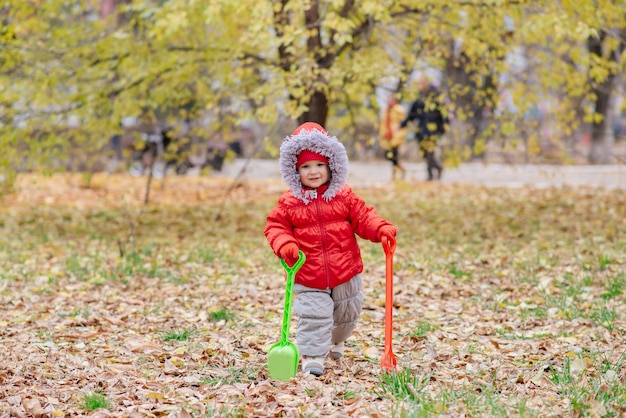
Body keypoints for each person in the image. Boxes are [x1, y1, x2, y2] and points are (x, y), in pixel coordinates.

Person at [264, 122, 397, 377]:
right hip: (308, 273)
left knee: (346, 316)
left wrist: (379, 228)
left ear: (331, 165)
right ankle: (313, 356)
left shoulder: (344, 196)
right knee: (314, 315)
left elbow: (364, 217)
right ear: (295, 170)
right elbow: (275, 227)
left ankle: (337, 340)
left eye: (319, 165)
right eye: (305, 166)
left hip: (345, 271)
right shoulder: (289, 202)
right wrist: (286, 244)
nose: (313, 172)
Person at [401, 83, 447, 181]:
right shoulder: (419, 99)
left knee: (430, 153)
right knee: (424, 154)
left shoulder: (436, 99)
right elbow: (411, 115)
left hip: (433, 131)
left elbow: (443, 116)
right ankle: (438, 167)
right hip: (421, 131)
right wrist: (402, 125)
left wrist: (442, 130)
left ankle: (430, 175)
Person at [378, 96, 408, 180]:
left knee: (394, 157)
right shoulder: (386, 110)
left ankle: (394, 176)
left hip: (396, 137)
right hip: (388, 137)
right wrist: (382, 134)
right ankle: (401, 170)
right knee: (389, 156)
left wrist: (399, 135)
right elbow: (383, 124)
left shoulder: (398, 110)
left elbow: (404, 124)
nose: (387, 100)